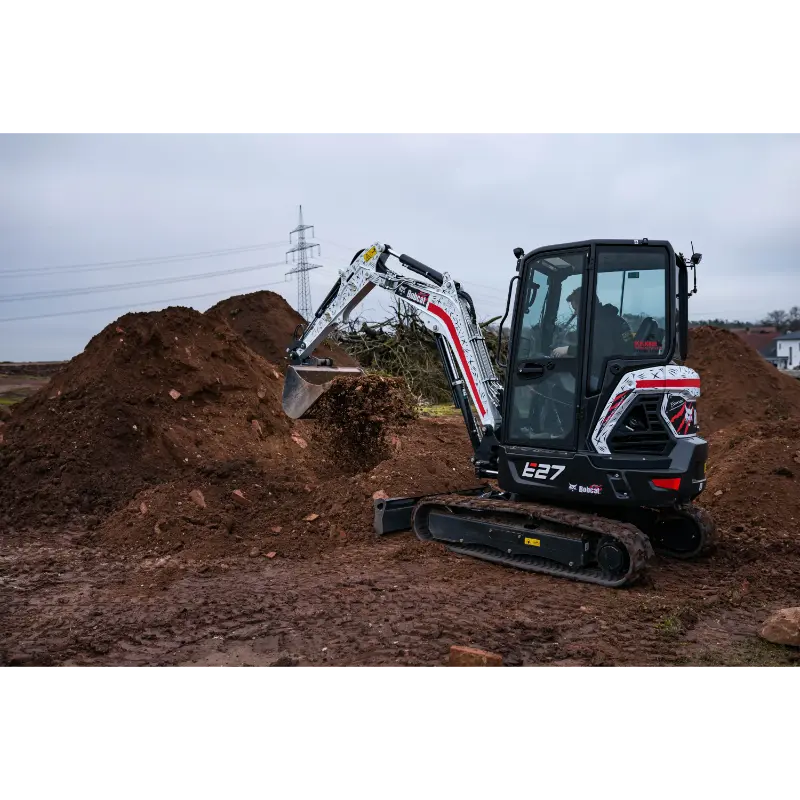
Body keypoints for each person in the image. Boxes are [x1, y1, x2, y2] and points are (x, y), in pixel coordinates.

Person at [551, 286, 634, 392]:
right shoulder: (610, 319)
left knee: (557, 384)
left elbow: (596, 352)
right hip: (616, 373)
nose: (575, 313)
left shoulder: (601, 324)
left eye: (576, 309)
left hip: (606, 379)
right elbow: (592, 339)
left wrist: (567, 350)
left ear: (586, 306)